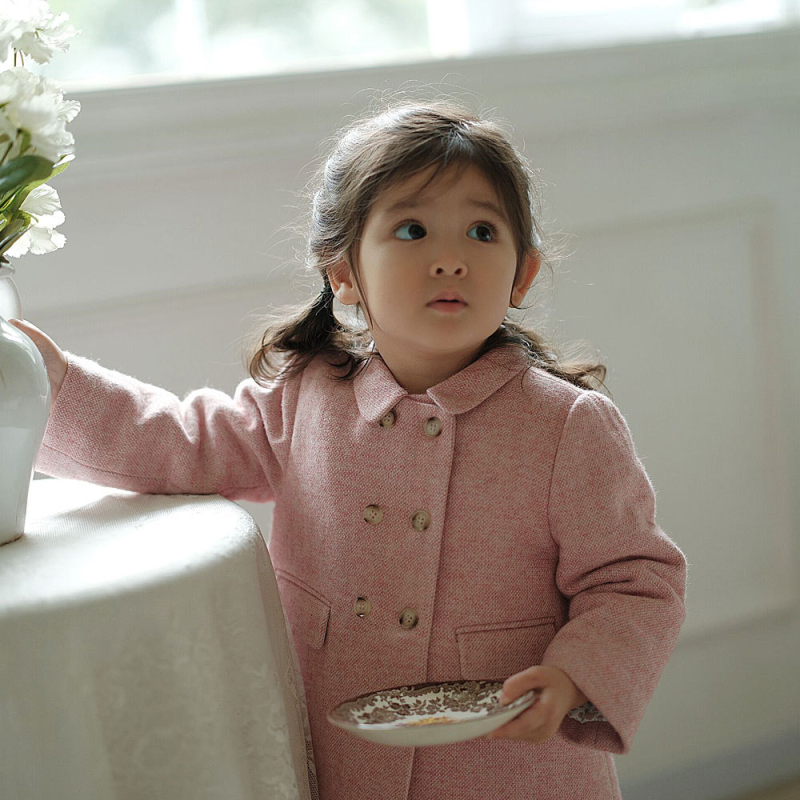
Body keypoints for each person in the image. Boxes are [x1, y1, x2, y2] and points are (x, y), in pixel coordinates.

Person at [13, 99, 687, 800]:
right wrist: (55, 385)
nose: (451, 259)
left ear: (522, 273)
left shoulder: (568, 425)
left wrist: (576, 675)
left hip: (515, 767)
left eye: (483, 232)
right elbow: (181, 442)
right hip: (342, 762)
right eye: (413, 229)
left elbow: (637, 581)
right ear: (343, 274)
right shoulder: (309, 395)